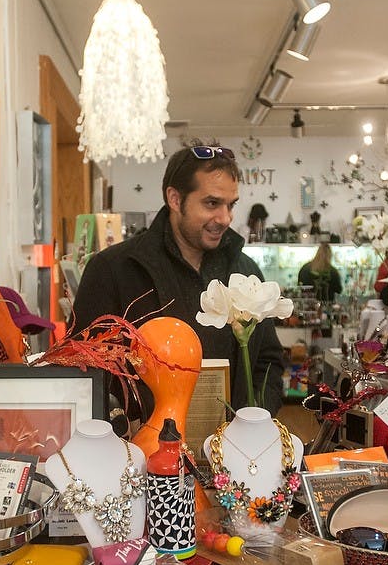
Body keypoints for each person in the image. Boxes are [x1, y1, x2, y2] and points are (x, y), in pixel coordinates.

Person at [72, 145, 286, 417]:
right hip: (139, 453)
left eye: (231, 205)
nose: (226, 218)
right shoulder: (112, 270)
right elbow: (82, 368)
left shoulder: (245, 271)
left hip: (233, 452)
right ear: (174, 199)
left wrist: (253, 420)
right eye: (212, 203)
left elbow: (269, 362)